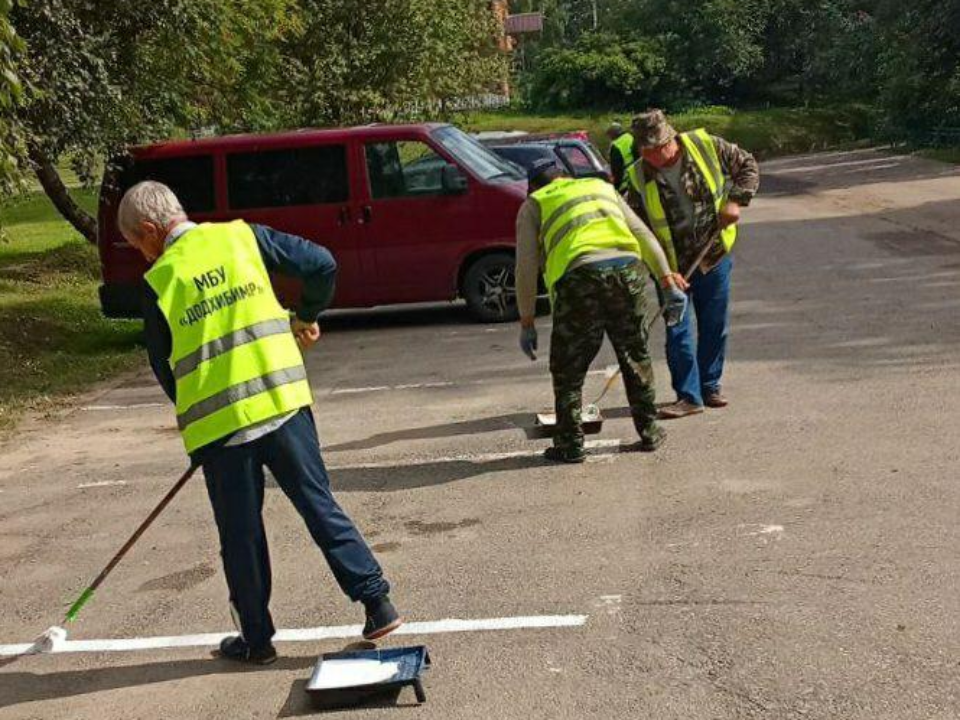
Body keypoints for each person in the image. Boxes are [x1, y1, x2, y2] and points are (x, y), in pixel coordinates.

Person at [117, 181, 401, 665]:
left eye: (138, 244)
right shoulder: (241, 237)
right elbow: (321, 264)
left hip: (222, 429)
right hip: (283, 402)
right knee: (318, 503)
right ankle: (377, 602)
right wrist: (305, 315)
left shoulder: (159, 281)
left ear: (150, 230)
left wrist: (198, 420)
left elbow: (165, 369)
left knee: (241, 535)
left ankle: (257, 639)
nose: (143, 255)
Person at [514, 160, 690, 463]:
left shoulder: (534, 203)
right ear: (565, 176)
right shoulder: (601, 187)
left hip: (580, 277)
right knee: (636, 354)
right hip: (628, 271)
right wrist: (666, 279)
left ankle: (570, 445)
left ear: (532, 186)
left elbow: (525, 266)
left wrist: (527, 319)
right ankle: (649, 432)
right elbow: (642, 234)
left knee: (568, 369)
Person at [625, 110, 760, 419]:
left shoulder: (705, 145)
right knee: (678, 330)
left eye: (660, 148)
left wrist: (736, 200)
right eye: (647, 151)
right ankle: (688, 395)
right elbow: (638, 229)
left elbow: (747, 166)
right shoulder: (637, 177)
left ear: (672, 138)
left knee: (714, 324)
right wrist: (662, 272)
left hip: (712, 254)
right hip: (671, 267)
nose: (656, 156)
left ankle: (709, 386)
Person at [607, 120, 637, 194]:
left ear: (613, 133)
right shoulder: (630, 137)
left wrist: (615, 188)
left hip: (624, 184)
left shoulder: (616, 146)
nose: (609, 137)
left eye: (609, 134)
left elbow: (617, 170)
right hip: (636, 180)